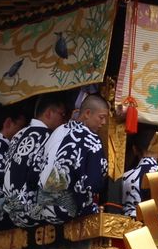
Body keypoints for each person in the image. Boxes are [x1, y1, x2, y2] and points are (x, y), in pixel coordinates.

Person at [40, 92, 110, 220]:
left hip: (42, 208)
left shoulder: (58, 130)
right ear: (87, 113)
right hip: (68, 211)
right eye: (101, 117)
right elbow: (93, 183)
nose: (104, 122)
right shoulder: (91, 138)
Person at [4, 95, 68, 224]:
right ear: (49, 113)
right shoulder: (49, 136)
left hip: (12, 213)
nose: (65, 120)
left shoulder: (18, 134)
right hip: (32, 213)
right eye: (63, 114)